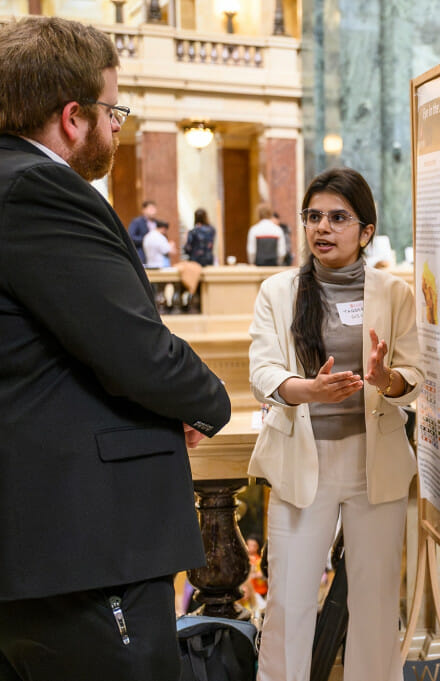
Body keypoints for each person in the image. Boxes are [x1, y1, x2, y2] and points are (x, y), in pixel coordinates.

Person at [0, 16, 231, 681]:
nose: (117, 124)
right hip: (81, 545)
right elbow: (133, 348)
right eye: (112, 108)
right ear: (72, 117)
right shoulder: (39, 190)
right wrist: (205, 400)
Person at [248, 167, 422, 681]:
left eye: (338, 218)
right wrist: (308, 390)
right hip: (304, 462)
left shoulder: (395, 294)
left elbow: (415, 378)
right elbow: (263, 372)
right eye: (314, 216)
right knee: (288, 604)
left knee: (374, 603)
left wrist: (386, 378)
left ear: (366, 231)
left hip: (376, 464)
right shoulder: (278, 292)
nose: (322, 228)